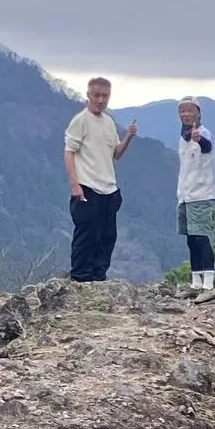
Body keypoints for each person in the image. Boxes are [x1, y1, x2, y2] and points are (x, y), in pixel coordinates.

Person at [64, 77, 136, 282]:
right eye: (96, 95)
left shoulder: (109, 122)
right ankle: (80, 278)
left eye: (105, 96)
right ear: (88, 95)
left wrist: (128, 137)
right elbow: (69, 152)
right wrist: (75, 184)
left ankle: (98, 277)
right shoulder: (80, 121)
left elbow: (116, 154)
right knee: (86, 236)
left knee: (107, 237)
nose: (100, 100)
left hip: (109, 189)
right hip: (87, 187)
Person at [176, 97, 215, 291]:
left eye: (189, 110)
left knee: (201, 237)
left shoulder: (203, 134)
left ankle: (209, 285)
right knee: (191, 239)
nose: (185, 114)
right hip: (185, 195)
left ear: (198, 113)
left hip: (200, 195)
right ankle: (196, 282)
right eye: (182, 111)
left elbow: (207, 146)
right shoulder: (183, 138)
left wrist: (199, 140)